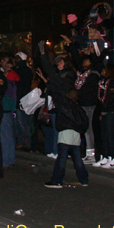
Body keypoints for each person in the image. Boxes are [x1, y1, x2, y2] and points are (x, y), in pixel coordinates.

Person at [36, 41, 90, 188]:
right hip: (74, 127)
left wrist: (43, 55)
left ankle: (57, 180)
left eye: (59, 62)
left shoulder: (66, 80)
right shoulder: (68, 83)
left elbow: (53, 80)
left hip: (66, 125)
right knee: (76, 155)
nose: (57, 65)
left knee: (62, 155)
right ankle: (83, 179)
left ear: (65, 63)